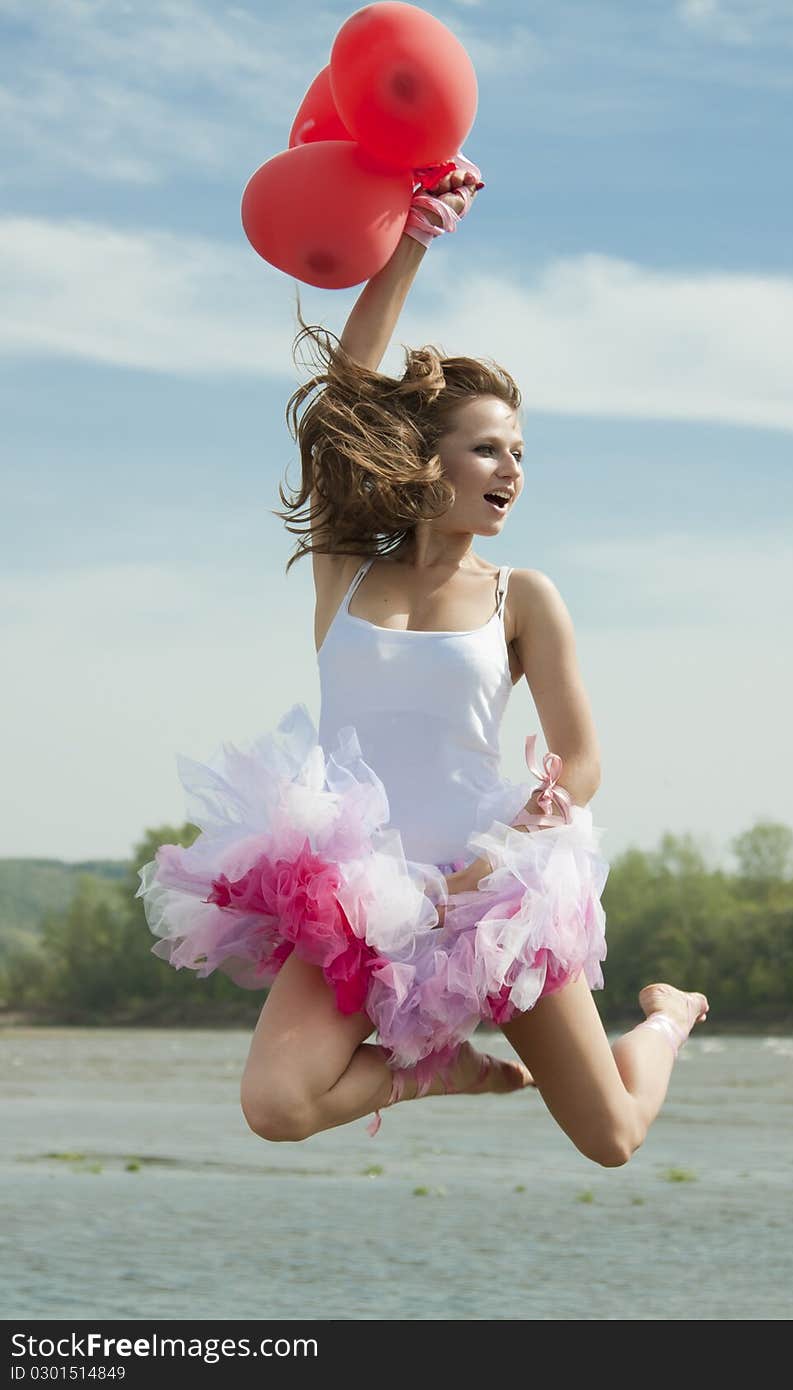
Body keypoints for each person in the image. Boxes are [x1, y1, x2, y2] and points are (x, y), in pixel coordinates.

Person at [137, 159, 708, 1166]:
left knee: (613, 1136)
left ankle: (666, 1018)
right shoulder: (343, 572)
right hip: (358, 893)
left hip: (489, 893)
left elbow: (580, 756)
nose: (512, 471)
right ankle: (432, 1069)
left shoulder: (521, 596)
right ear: (426, 457)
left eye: (521, 453)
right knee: (274, 1103)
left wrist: (537, 821)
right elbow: (345, 393)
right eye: (489, 449)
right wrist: (413, 238)